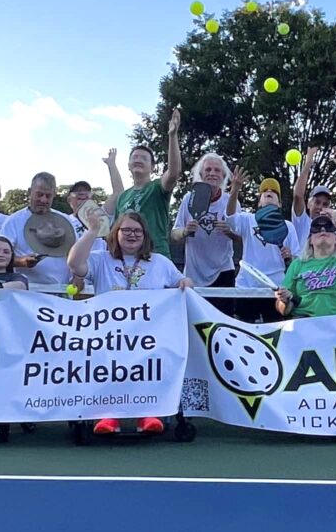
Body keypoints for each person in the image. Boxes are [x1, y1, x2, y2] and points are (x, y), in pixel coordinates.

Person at [68, 211, 193, 435]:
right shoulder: (101, 258)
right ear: (116, 233)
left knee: (150, 365)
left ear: (145, 236)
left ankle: (148, 414)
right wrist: (92, 231)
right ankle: (108, 415)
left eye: (137, 231)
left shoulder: (160, 262)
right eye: (126, 230)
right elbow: (75, 264)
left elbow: (181, 281)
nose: (132, 235)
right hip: (108, 335)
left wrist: (185, 282)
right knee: (107, 367)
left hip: (149, 336)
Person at [226, 168, 301, 323]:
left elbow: (298, 262)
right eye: (264, 191)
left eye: (273, 192)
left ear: (279, 204)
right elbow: (230, 218)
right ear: (259, 202)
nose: (268, 192)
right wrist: (235, 190)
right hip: (246, 288)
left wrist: (290, 257)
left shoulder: (288, 226)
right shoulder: (248, 219)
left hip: (275, 290)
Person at [171, 153, 237, 313]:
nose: (212, 173)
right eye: (208, 169)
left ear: (223, 176)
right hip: (193, 274)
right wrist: (185, 231)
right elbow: (174, 233)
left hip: (223, 271)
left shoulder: (231, 201)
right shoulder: (189, 199)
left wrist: (230, 232)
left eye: (216, 170)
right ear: (201, 175)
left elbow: (242, 237)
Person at [111, 110, 182, 259]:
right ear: (129, 165)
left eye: (144, 158)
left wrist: (172, 136)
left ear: (153, 167)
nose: (139, 159)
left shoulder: (157, 188)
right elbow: (116, 230)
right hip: (127, 259)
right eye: (135, 157)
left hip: (155, 256)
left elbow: (174, 172)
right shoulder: (123, 197)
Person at [276, 212, 336, 318]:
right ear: (310, 240)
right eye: (316, 228)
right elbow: (283, 309)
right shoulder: (297, 264)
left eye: (329, 228)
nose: (323, 230)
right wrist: (284, 301)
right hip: (306, 322)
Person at [0, 172, 77, 284]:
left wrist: (77, 276)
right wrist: (21, 262)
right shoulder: (13, 222)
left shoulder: (66, 221)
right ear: (30, 192)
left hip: (61, 291)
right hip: (27, 290)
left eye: (48, 196)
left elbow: (77, 254)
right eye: (39, 194)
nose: (44, 200)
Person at [291, 146, 336, 245]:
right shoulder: (302, 222)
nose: (320, 207)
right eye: (317, 202)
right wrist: (308, 164)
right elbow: (298, 196)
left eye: (325, 204)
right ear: (308, 204)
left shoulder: (335, 226)